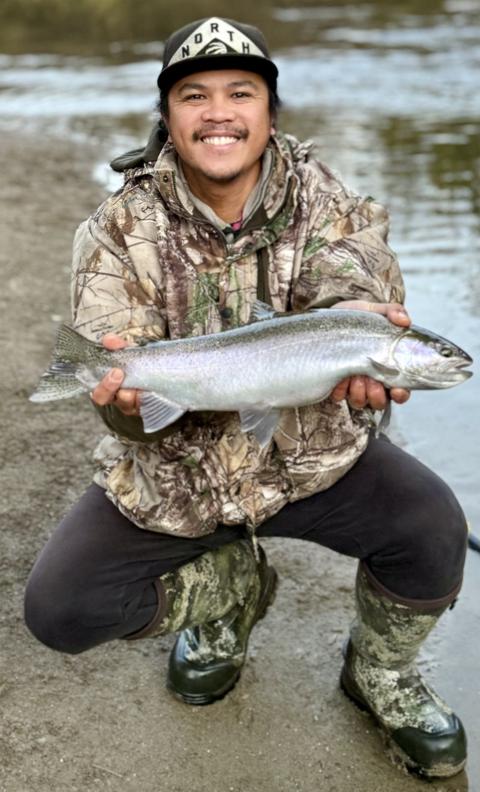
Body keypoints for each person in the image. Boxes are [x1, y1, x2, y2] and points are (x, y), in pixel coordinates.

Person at [25, 16, 468, 780]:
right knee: (59, 609)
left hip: (310, 466)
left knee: (433, 527)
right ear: (167, 115)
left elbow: (354, 274)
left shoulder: (326, 196)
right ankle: (231, 592)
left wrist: (356, 314)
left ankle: (381, 673)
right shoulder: (117, 227)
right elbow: (121, 403)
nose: (219, 113)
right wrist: (120, 399)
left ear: (270, 110)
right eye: (194, 95)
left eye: (241, 92)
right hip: (180, 478)